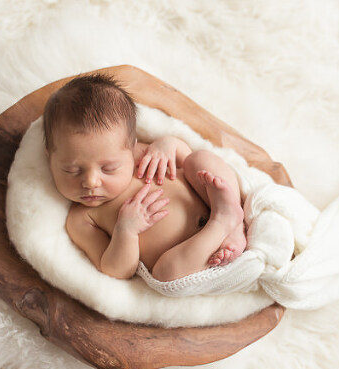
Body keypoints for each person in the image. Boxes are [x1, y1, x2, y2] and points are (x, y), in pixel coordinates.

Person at [44, 73, 246, 282]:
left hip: (212, 203)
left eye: (109, 168)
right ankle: (223, 222)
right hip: (195, 257)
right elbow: (115, 270)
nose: (90, 182)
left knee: (200, 159)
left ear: (130, 148)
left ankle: (235, 226)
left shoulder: (141, 156)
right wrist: (126, 231)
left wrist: (168, 144)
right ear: (49, 156)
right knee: (164, 273)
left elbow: (184, 160)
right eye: (72, 171)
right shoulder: (81, 219)